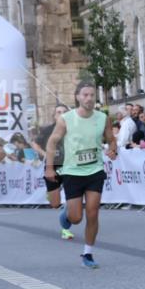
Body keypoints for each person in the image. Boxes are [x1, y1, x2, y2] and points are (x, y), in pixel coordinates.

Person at [45, 81, 117, 269]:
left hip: (95, 170)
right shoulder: (66, 119)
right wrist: (49, 167)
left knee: (93, 213)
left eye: (92, 95)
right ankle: (66, 215)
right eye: (85, 95)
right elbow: (52, 142)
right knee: (76, 218)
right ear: (77, 97)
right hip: (72, 172)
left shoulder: (103, 118)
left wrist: (113, 150)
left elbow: (111, 139)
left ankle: (88, 253)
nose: (89, 98)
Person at [35, 104, 75, 240]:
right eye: (59, 112)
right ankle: (53, 197)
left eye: (64, 112)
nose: (61, 114)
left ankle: (65, 228)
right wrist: (44, 153)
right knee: (55, 203)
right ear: (54, 115)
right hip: (52, 167)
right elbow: (35, 143)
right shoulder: (47, 130)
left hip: (70, 167)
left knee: (72, 201)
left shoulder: (73, 128)